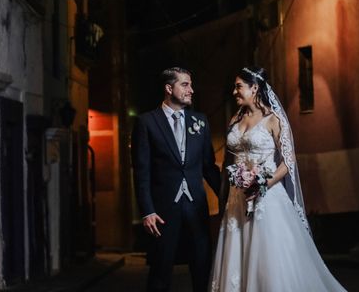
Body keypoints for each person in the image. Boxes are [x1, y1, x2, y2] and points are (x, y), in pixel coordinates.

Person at [209, 66, 347, 292]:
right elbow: (229, 162)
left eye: (238, 87)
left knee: (267, 257)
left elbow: (288, 162)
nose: (234, 92)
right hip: (237, 199)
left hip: (267, 197)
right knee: (238, 255)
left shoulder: (273, 120)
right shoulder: (235, 119)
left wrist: (264, 182)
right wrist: (232, 187)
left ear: (254, 88)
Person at [132, 67, 221, 292]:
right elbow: (142, 172)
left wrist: (230, 196)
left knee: (202, 268)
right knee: (161, 272)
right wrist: (147, 210)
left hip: (196, 208)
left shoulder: (199, 121)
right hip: (162, 212)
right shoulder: (147, 122)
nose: (191, 90)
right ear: (169, 88)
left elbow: (209, 167)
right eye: (185, 84)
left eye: (191, 84)